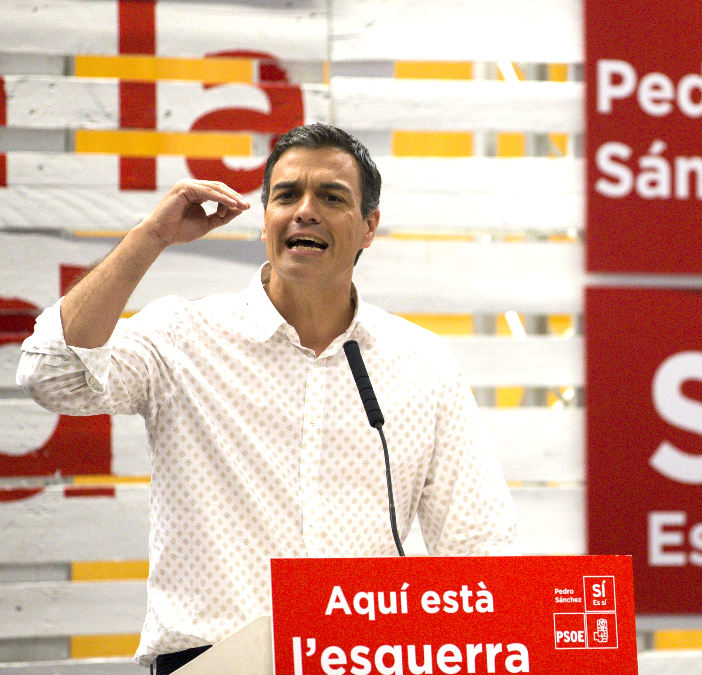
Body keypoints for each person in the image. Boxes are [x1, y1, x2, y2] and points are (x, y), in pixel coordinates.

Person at [16, 123, 517, 673]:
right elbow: (53, 374)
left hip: (363, 659)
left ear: (369, 227)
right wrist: (149, 238)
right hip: (209, 661)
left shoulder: (421, 361)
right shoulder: (184, 336)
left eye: (332, 197)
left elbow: (478, 547)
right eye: (286, 196)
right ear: (265, 220)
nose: (305, 211)